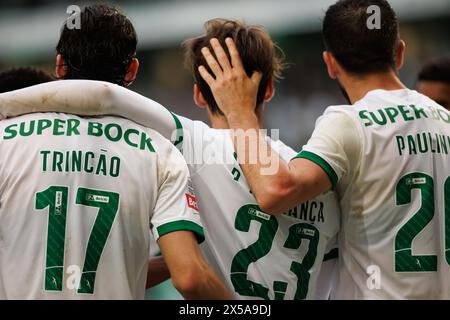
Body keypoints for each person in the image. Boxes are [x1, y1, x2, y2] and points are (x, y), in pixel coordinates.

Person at [0, 19, 340, 300]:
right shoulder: (316, 180)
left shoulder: (185, 144)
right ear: (268, 90)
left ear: (197, 94)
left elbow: (104, 95)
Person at [196, 0, 450, 299]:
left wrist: (239, 111)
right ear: (400, 52)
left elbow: (275, 191)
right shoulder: (445, 120)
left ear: (330, 63)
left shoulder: (348, 123)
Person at [0, 4, 231, 299]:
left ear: (59, 65)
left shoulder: (6, 138)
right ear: (132, 70)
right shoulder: (161, 152)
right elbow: (190, 277)